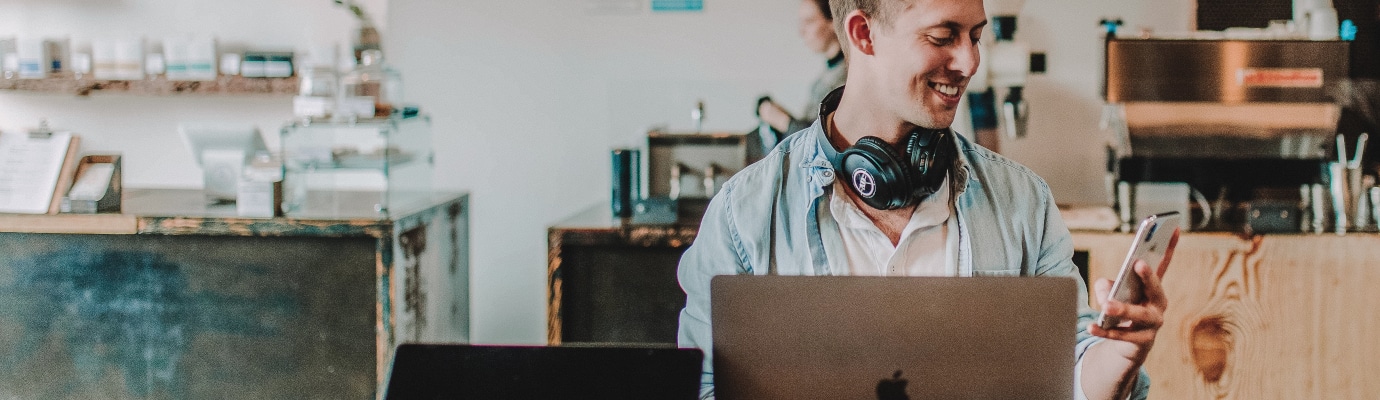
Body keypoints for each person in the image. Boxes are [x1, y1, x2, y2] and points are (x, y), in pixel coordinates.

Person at [676, 0, 1179, 399]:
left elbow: (1070, 376)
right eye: (943, 37)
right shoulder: (743, 214)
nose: (969, 61)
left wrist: (1117, 361)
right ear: (863, 34)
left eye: (976, 36)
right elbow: (704, 390)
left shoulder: (1023, 201)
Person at [757, 0, 849, 136]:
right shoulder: (827, 75)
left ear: (833, 22)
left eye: (809, 21)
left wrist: (782, 121)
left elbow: (826, 140)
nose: (802, 32)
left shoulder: (848, 76)